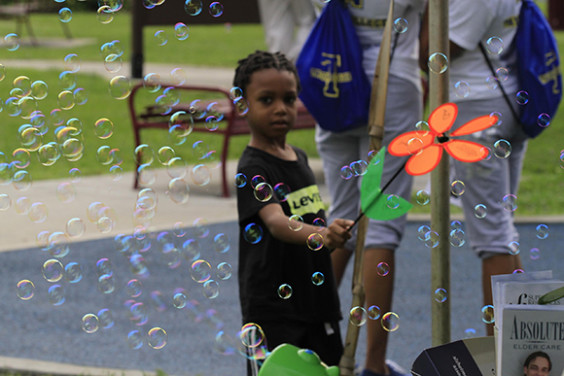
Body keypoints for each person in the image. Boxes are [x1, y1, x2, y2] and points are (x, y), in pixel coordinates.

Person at [314, 1, 426, 376]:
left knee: (341, 215)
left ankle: (309, 344)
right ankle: (374, 365)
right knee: (379, 222)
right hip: (391, 80)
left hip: (331, 74)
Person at [233, 50, 353, 373]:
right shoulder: (252, 167)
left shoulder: (298, 158)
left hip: (315, 301)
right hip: (275, 310)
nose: (280, 109)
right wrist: (322, 235)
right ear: (242, 104)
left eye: (289, 99)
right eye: (267, 100)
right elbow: (276, 222)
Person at [419, 0, 525, 336]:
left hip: (477, 113)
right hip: (506, 100)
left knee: (493, 237)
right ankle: (519, 345)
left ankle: (501, 357)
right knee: (502, 231)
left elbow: (432, 53)